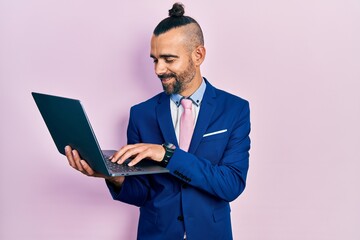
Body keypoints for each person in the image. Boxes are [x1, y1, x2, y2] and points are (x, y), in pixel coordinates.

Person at [65, 3, 250, 240]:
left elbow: (231, 184)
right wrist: (114, 176)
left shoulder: (234, 110)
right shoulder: (141, 114)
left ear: (198, 55)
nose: (158, 69)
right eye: (154, 60)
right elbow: (143, 193)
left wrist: (167, 155)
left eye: (169, 59)